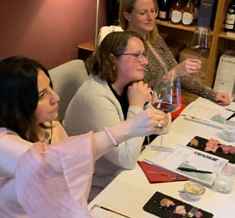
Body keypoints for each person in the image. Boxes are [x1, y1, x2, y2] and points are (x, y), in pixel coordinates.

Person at [0, 56, 168, 218]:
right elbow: (50, 163)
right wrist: (127, 129)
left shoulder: (50, 128)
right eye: (41, 95)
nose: (56, 98)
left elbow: (69, 173)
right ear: (16, 105)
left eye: (51, 89)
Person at [63, 31, 162, 201]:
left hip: (122, 175)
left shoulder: (130, 86)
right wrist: (136, 106)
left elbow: (162, 127)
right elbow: (126, 159)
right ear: (112, 59)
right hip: (93, 187)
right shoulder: (94, 95)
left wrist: (149, 105)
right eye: (137, 56)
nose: (145, 62)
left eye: (144, 55)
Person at [119, 0, 230, 105]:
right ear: (127, 15)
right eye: (143, 13)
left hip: (164, 105)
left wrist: (213, 94)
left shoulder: (155, 39)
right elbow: (146, 92)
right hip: (145, 112)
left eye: (152, 11)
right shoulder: (126, 49)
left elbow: (179, 75)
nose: (150, 17)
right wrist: (175, 72)